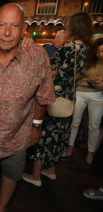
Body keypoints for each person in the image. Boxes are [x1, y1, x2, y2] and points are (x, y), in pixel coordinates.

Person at [0, 3, 55, 212]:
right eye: (2, 25)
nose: (8, 33)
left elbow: (43, 96)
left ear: (24, 29)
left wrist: (36, 126)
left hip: (17, 136)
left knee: (12, 174)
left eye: (14, 26)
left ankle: (1, 209)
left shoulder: (37, 56)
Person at [22, 12, 93, 187]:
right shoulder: (84, 49)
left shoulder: (69, 47)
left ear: (75, 27)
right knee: (58, 134)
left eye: (68, 25)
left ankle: (36, 175)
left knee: (45, 134)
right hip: (68, 96)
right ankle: (50, 170)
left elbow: (52, 68)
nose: (66, 28)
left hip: (56, 96)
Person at [67, 37, 103, 164]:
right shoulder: (88, 61)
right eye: (98, 52)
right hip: (81, 92)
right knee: (75, 122)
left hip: (98, 95)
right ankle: (70, 147)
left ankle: (91, 152)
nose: (100, 54)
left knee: (94, 125)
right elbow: (78, 75)